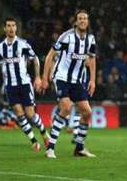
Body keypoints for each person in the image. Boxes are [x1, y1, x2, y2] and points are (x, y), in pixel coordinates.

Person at [0, 17, 48, 151]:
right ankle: (34, 141)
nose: (11, 28)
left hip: (24, 84)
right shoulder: (0, 47)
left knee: (30, 114)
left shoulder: (23, 44)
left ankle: (44, 133)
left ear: (16, 28)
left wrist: (37, 77)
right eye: (8, 25)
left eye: (13, 25)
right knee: (19, 114)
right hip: (10, 85)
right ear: (5, 28)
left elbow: (35, 59)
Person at [42, 9, 96, 158]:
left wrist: (92, 80)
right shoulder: (66, 37)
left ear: (88, 21)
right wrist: (45, 78)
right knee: (66, 107)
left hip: (77, 81)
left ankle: (79, 148)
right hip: (61, 77)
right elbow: (50, 55)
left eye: (85, 18)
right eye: (80, 18)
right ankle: (50, 148)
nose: (83, 21)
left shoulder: (91, 39)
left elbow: (92, 59)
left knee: (87, 112)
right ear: (76, 21)